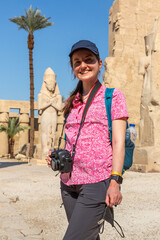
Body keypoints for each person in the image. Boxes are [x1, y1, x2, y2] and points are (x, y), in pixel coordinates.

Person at [47, 40, 129, 240]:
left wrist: (115, 181)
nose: (83, 65)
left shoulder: (113, 96)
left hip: (96, 181)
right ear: (73, 68)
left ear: (99, 63)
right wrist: (56, 157)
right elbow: (71, 139)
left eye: (88, 60)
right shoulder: (71, 101)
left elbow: (118, 143)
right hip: (68, 182)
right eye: (77, 62)